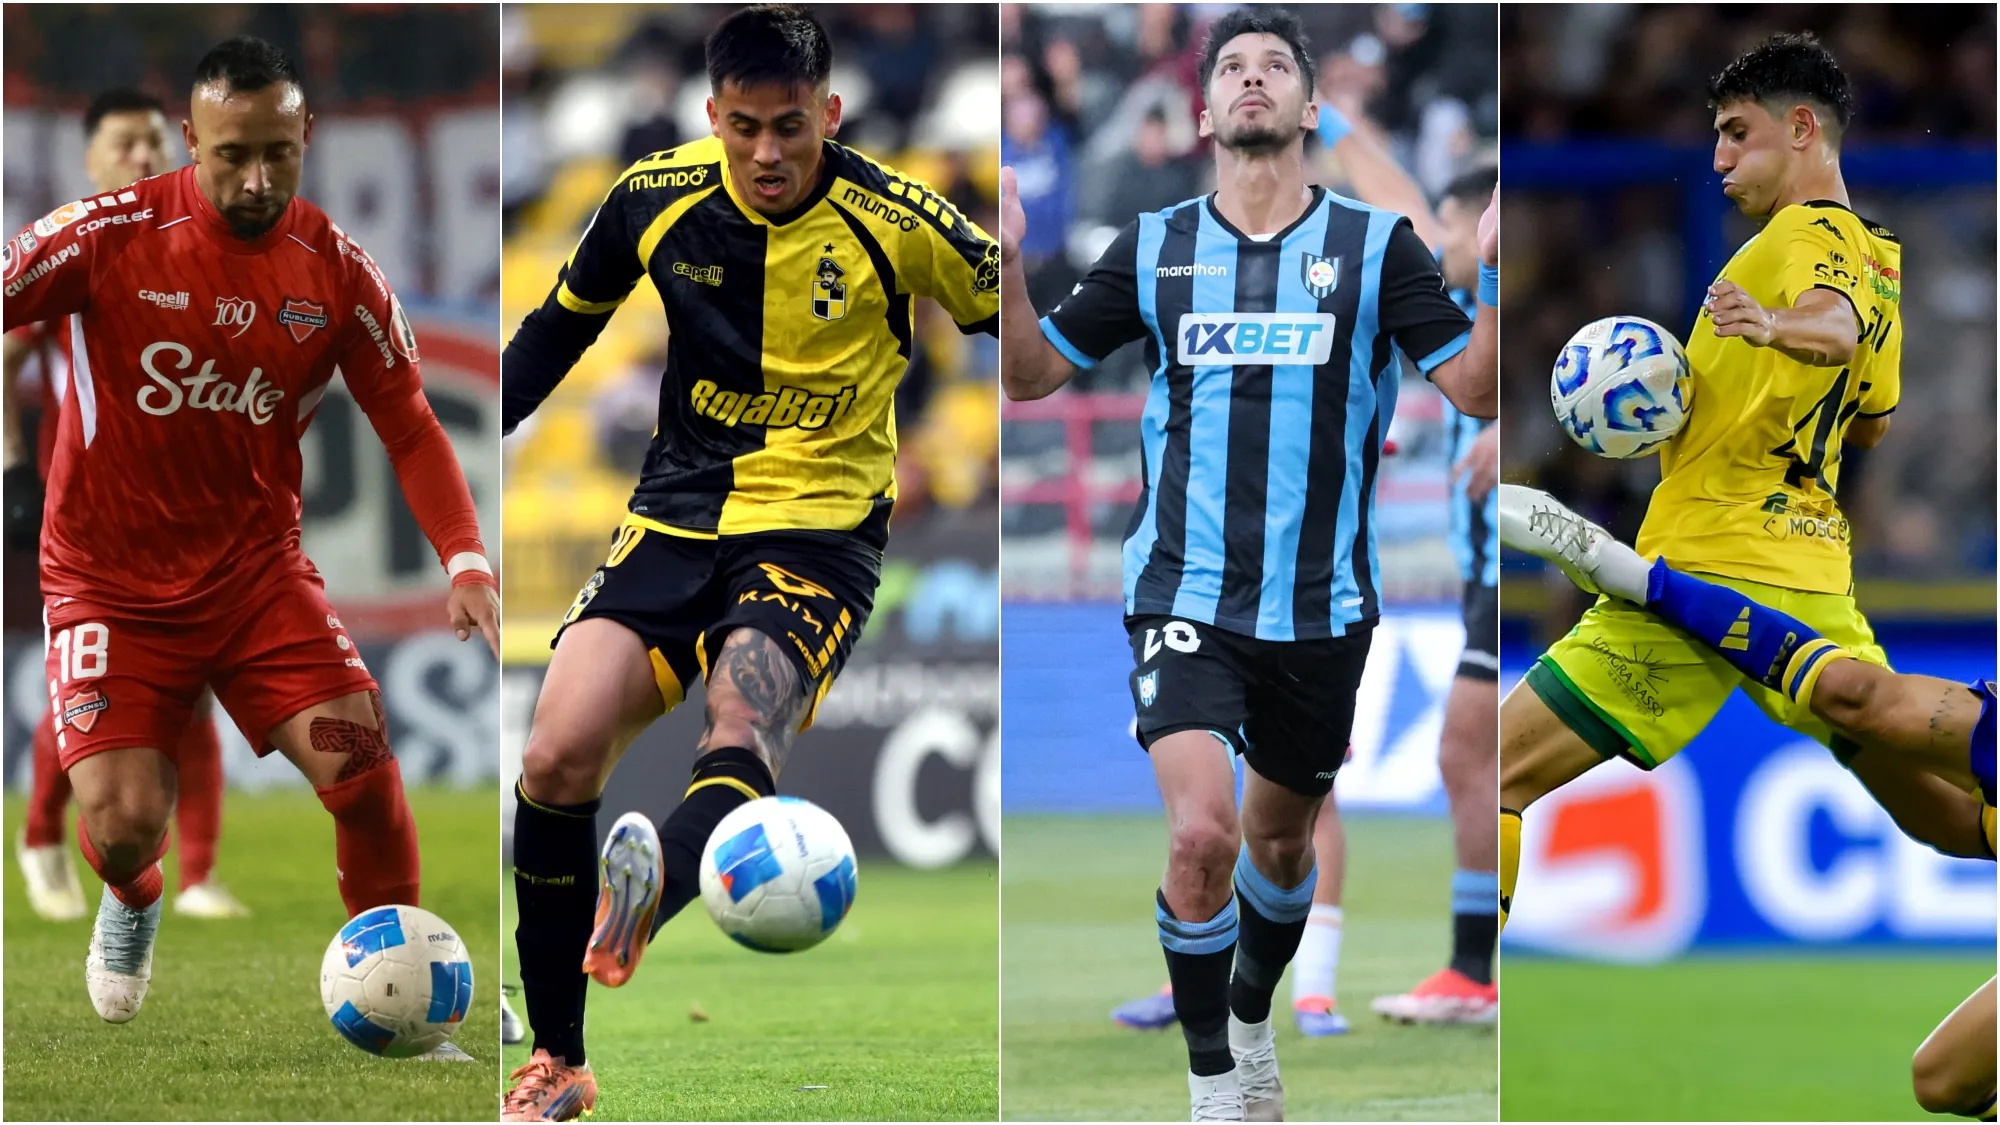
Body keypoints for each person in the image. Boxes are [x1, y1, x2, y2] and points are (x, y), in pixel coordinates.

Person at [497, 7, 999, 1119]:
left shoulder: (897, 218)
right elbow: (557, 330)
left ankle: (653, 892)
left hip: (819, 532)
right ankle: (559, 1060)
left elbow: (1021, 319)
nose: (766, 152)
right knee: (553, 754)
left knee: (741, 717)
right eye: (743, 127)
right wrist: (452, 442)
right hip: (675, 516)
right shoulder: (653, 196)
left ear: (831, 113)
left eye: (789, 127)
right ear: (711, 115)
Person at [1000, 8, 1496, 1119]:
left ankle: (1254, 1015)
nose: (1253, 79)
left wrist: (1501, 278)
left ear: (1311, 107)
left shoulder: (1377, 248)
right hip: (1180, 590)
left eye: (1276, 66)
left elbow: (1474, 388)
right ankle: (1213, 1081)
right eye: (1231, 67)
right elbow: (1028, 376)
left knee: (1278, 845)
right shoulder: (1153, 246)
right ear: (1204, 109)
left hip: (1323, 608)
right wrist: (1010, 266)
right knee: (1202, 836)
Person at [1, 36, 499, 1030]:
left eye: (279, 152)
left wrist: (466, 556)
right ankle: (135, 893)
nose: (258, 179)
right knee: (125, 827)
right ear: (192, 142)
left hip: (255, 579)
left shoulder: (338, 273)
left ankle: (405, 996)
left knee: (362, 769)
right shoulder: (105, 234)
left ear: (307, 133)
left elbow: (410, 424)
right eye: (233, 155)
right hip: (106, 580)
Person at [1497, 32, 1901, 964]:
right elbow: (1872, 421)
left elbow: (1833, 330)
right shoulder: (1880, 256)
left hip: (1705, 566)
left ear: (1802, 129)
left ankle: (1471, 985)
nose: (1718, 158)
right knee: (1953, 808)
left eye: (1735, 133)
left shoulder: (1804, 238)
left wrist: (1769, 325)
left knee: (1493, 773)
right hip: (1811, 574)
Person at [1501, 482, 1995, 1120]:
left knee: (1497, 773)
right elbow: (1962, 823)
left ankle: (1471, 984)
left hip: (1718, 561)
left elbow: (1861, 699)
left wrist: (1636, 578)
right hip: (1784, 562)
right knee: (1946, 1079)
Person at [5, 88, 248, 925]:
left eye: (153, 141)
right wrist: (12, 469)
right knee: (95, 686)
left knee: (197, 682)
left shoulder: (201, 246)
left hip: (192, 512)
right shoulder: (76, 246)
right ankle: (41, 834)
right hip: (86, 519)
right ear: (90, 159)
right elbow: (6, 357)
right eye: (124, 144)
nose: (143, 157)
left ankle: (200, 874)